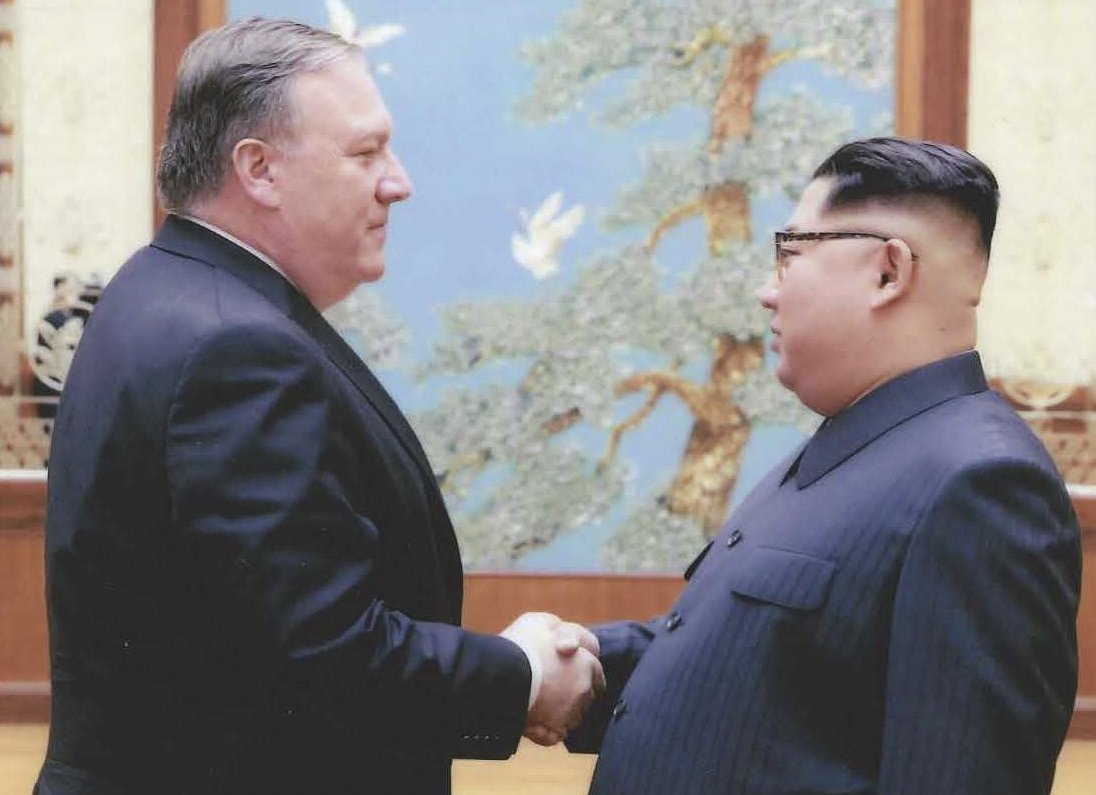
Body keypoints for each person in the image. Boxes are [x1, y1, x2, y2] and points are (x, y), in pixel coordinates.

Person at [35, 17, 602, 795]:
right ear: (260, 169)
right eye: (366, 153)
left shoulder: (165, 285)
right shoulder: (235, 348)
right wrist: (522, 674)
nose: (398, 182)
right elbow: (324, 653)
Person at [564, 137, 1081, 794]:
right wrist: (580, 659)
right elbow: (762, 667)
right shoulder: (862, 438)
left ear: (888, 272)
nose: (767, 292)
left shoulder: (980, 482)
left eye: (790, 255)